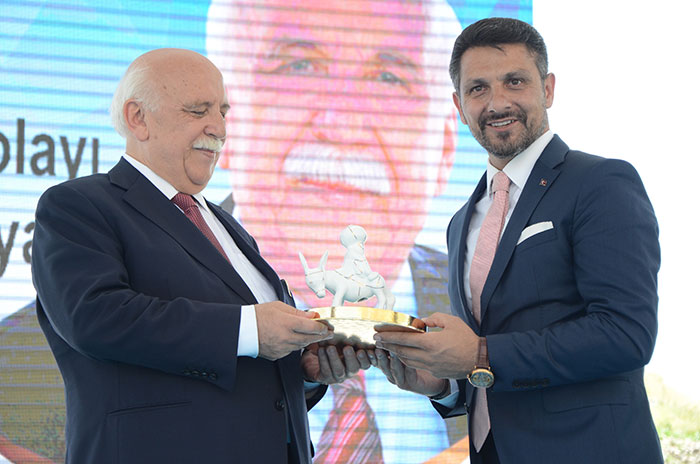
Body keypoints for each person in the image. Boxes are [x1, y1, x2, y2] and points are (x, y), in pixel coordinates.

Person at [30, 48, 370, 464]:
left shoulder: (229, 226)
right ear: (138, 118)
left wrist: (306, 371)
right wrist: (250, 329)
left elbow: (249, 375)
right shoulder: (78, 206)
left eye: (223, 112)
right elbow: (95, 318)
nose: (220, 128)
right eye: (198, 110)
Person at [372, 17, 663, 464]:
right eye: (478, 88)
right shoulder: (460, 222)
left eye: (515, 81)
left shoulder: (600, 183)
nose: (497, 102)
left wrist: (479, 353)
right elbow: (489, 361)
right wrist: (443, 383)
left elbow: (626, 334)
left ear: (547, 89)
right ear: (459, 105)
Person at [205, 1, 470, 461]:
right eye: (298, 67)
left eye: (389, 78)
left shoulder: (481, 300)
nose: (342, 124)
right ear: (225, 120)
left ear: (446, 147)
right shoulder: (161, 296)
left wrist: (449, 385)